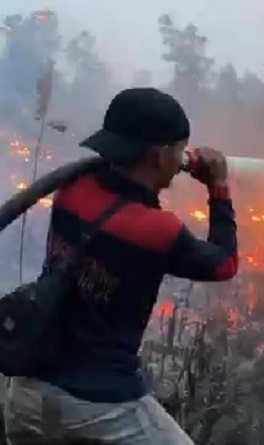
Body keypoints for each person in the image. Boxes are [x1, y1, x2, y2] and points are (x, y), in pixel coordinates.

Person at [3, 88, 238, 444]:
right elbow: (224, 263)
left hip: (27, 396)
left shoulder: (71, 191)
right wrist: (218, 187)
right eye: (179, 149)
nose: (181, 161)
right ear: (160, 156)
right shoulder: (156, 230)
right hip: (102, 408)